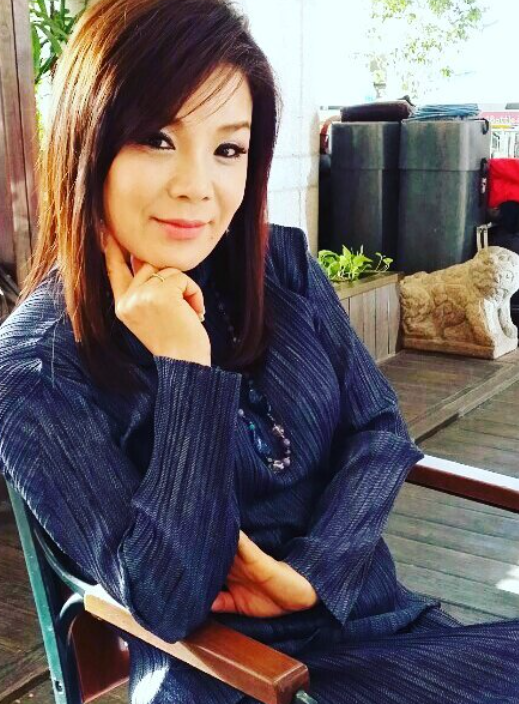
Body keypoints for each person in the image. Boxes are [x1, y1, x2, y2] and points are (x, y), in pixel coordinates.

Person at [0, 0, 518, 702]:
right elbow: (167, 598)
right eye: (156, 138)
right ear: (85, 141)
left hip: (382, 626)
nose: (196, 187)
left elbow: (378, 428)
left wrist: (311, 572)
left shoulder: (281, 265)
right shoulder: (36, 369)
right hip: (242, 678)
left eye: (228, 149)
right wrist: (186, 371)